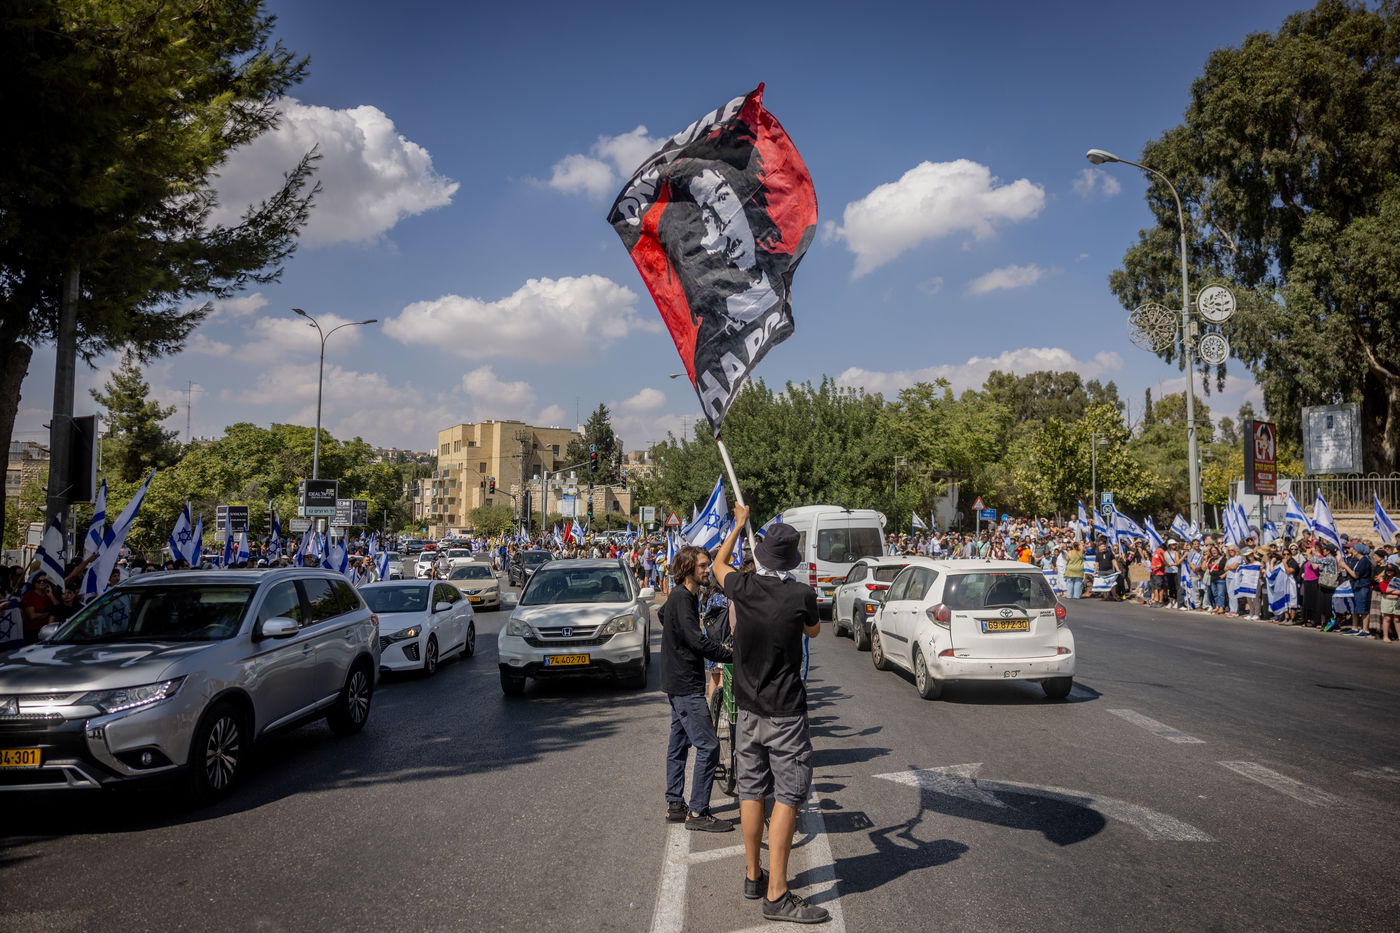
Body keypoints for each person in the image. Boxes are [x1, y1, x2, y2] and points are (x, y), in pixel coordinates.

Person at [711, 506, 829, 925]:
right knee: (788, 796)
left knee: (750, 791)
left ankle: (752, 875)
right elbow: (813, 630)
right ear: (790, 561)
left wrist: (737, 525)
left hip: (747, 709)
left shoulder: (742, 587)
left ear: (760, 555)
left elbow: (718, 565)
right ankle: (777, 894)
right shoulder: (800, 596)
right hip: (785, 713)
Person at [659, 545, 735, 833]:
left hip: (676, 679)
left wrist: (676, 643)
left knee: (678, 744)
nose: (708, 570)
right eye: (703, 566)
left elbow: (663, 616)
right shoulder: (682, 598)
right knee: (709, 746)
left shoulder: (684, 596)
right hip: (685, 683)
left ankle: (675, 805)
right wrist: (730, 655)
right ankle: (698, 812)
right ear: (688, 569)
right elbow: (696, 641)